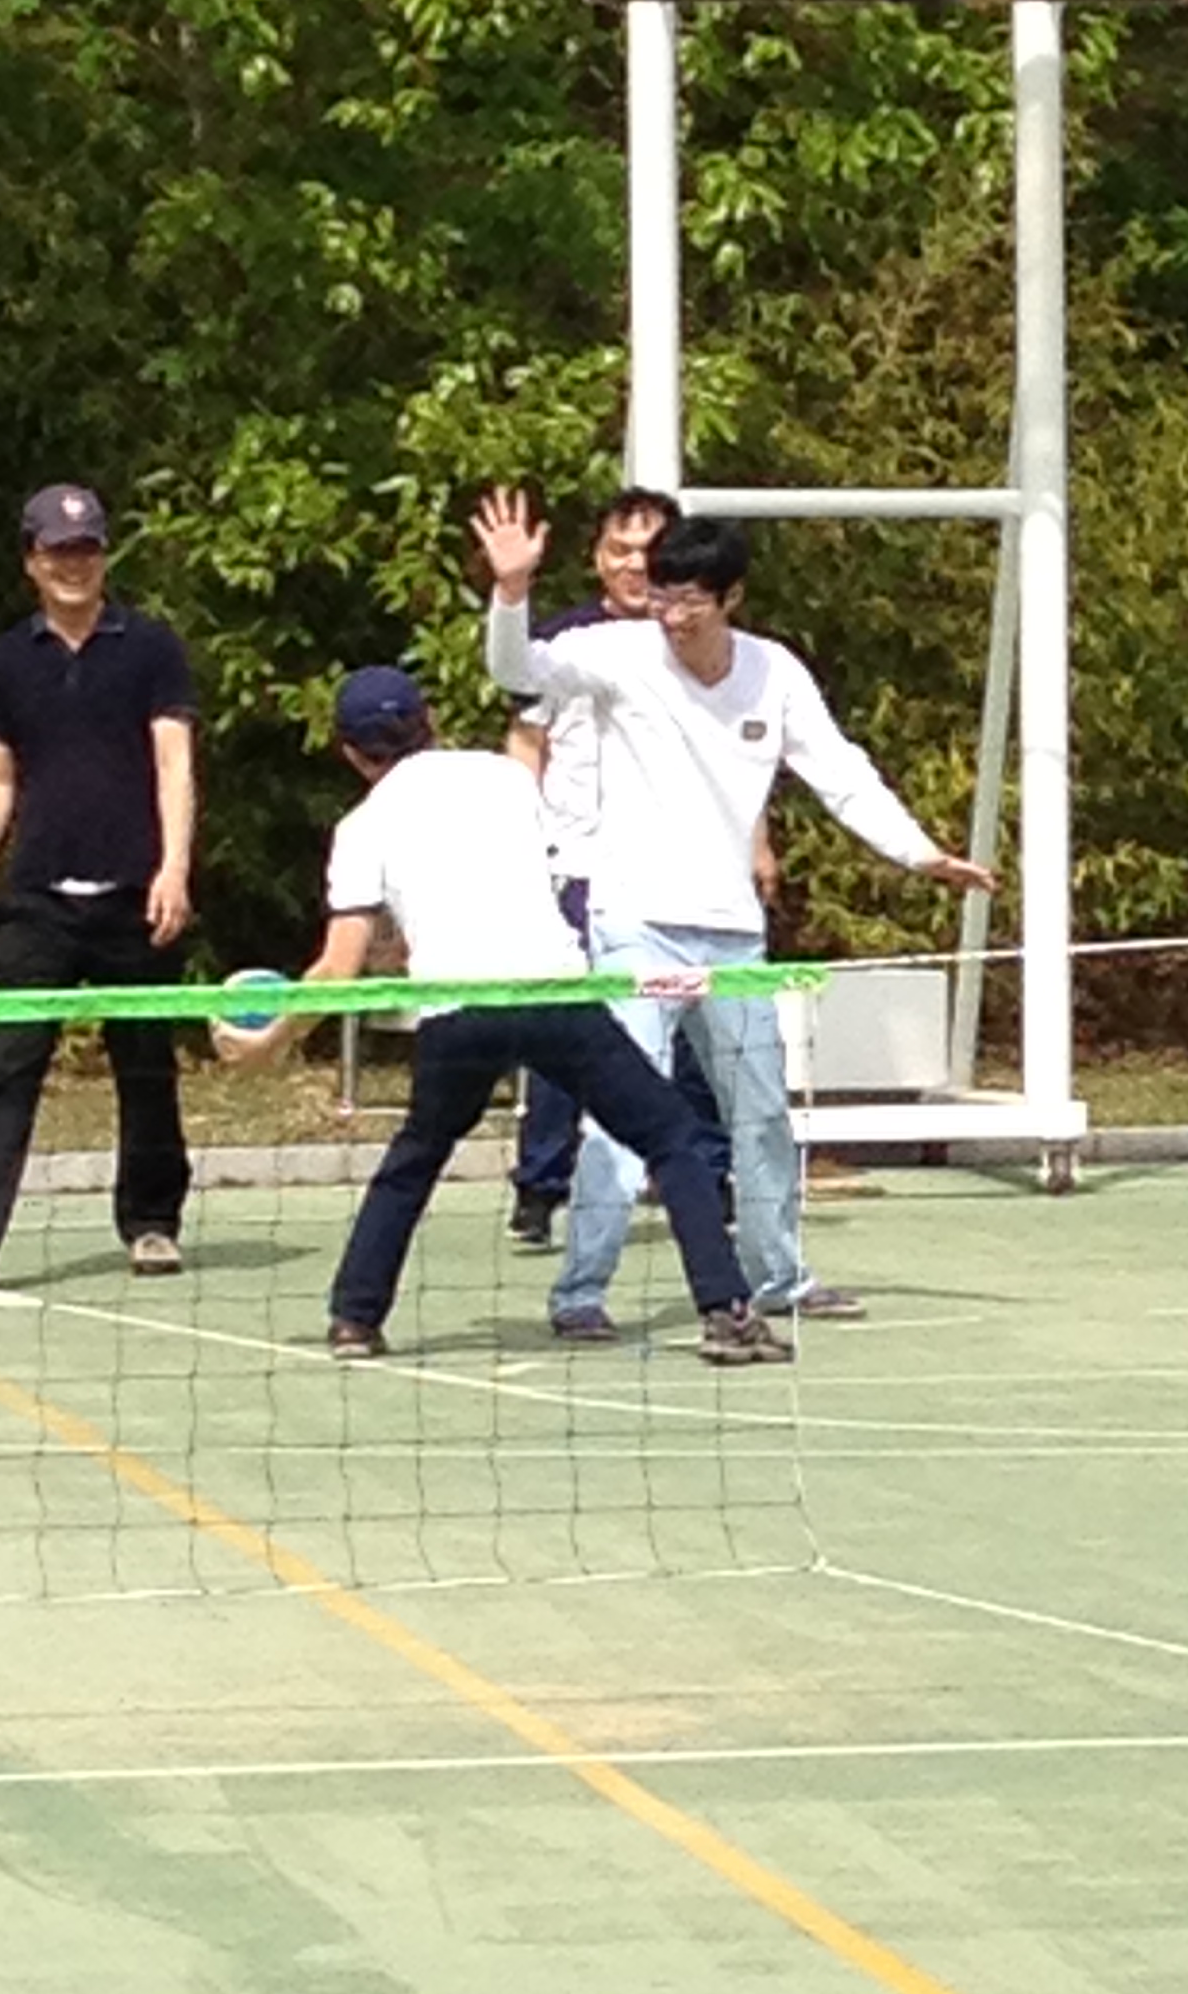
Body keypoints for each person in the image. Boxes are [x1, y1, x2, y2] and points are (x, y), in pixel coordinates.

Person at [473, 486, 995, 1334]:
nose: (672, 616)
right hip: (632, 923)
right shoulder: (613, 651)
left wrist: (918, 853)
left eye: (690, 600)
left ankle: (779, 1276)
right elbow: (515, 671)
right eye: (662, 596)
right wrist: (511, 589)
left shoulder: (774, 671)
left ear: (732, 598)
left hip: (733, 938)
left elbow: (841, 772)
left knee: (760, 1113)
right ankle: (581, 1293)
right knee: (621, 1113)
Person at [211, 665, 775, 1365]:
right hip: (552, 994)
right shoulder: (506, 778)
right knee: (672, 1137)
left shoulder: (362, 826)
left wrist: (272, 1039)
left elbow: (337, 968)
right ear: (430, 723)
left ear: (350, 753)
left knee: (415, 1158)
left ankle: (354, 1320)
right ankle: (726, 1313)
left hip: (460, 1011)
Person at [0, 482, 196, 1293]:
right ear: (32, 561)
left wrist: (173, 868)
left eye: (87, 549)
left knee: (146, 1065)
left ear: (104, 556)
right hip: (37, 899)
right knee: (8, 1061)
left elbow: (174, 763)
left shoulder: (151, 649)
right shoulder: (4, 663)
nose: (75, 565)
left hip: (135, 894)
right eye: (60, 552)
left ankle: (152, 1221)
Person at [502, 483, 735, 1249]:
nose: (635, 566)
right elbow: (527, 740)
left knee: (695, 1031)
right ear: (597, 558)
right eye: (619, 550)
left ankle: (705, 1175)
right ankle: (542, 1184)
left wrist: (754, 841)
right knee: (566, 1027)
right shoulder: (565, 640)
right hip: (577, 864)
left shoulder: (704, 643)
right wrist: (524, 846)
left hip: (682, 871)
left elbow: (737, 757)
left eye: (649, 552)